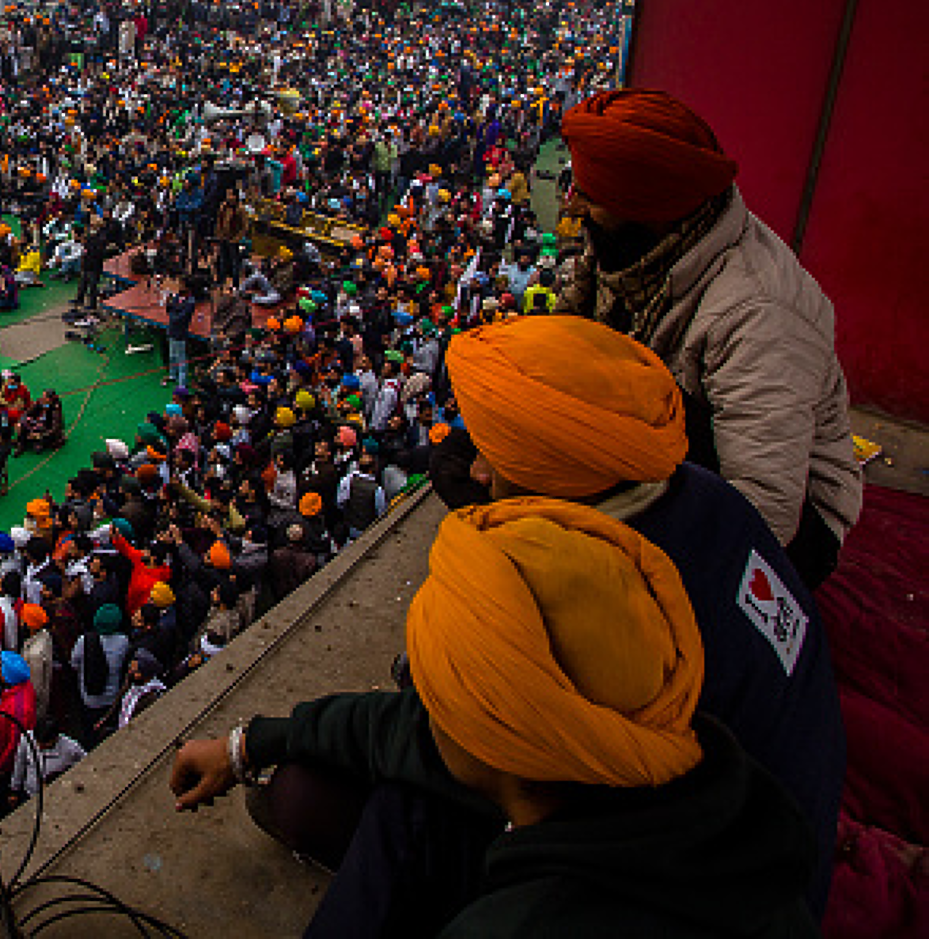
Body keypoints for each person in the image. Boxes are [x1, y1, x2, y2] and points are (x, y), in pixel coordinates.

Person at [169, 499, 818, 939]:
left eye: (440, 692)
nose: (417, 698)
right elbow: (403, 729)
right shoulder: (636, 756)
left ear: (495, 735)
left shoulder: (523, 923)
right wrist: (245, 745)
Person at [438, 312, 844, 914]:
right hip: (789, 821)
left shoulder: (613, 595)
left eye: (496, 453)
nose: (477, 472)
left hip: (720, 894)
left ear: (560, 468)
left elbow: (503, 764)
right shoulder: (709, 494)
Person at [558, 88, 860, 585]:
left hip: (786, 528)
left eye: (591, 196)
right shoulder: (629, 246)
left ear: (646, 208)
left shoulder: (759, 312)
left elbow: (766, 513)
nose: (575, 206)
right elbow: (569, 334)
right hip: (662, 456)